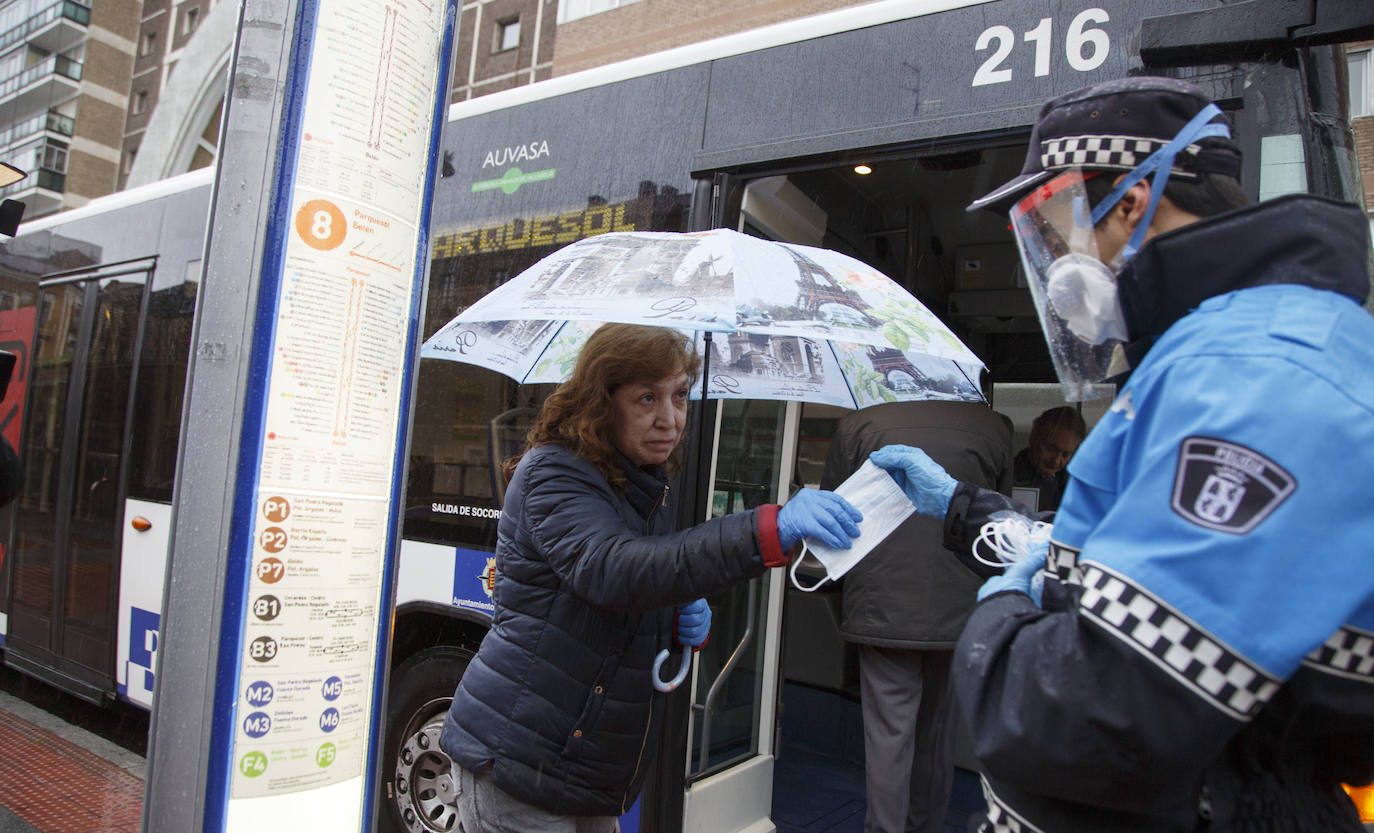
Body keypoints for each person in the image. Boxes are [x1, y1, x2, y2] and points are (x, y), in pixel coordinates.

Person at [871, 76, 1374, 832]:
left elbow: (1103, 713)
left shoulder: (1261, 371)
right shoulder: (1214, 349)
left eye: (1057, 226)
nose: (1052, 259)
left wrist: (998, 620)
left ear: (1133, 200)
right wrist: (966, 511)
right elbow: (1128, 568)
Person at [439, 323, 863, 832]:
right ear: (601, 402)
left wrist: (677, 612)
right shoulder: (555, 471)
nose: (671, 419)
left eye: (680, 395)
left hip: (582, 763)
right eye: (646, 398)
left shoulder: (638, 482)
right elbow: (613, 570)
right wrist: (767, 528)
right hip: (519, 758)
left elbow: (639, 584)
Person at [821, 398, 1012, 833]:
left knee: (890, 735)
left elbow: (834, 505)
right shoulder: (994, 427)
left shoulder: (860, 424)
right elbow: (999, 518)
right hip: (961, 601)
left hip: (882, 600)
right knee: (937, 735)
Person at [1012, 406, 1085, 512]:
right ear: (1033, 436)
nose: (1056, 460)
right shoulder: (1010, 478)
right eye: (1050, 449)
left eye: (1066, 455)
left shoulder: (1075, 484)